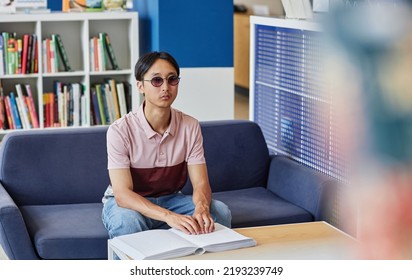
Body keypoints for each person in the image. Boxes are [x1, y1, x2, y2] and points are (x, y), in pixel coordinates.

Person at [102, 51, 232, 239]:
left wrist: (202, 208)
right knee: (129, 222)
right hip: (128, 203)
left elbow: (201, 184)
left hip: (171, 199)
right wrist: (169, 217)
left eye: (172, 80)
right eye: (156, 81)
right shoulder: (120, 130)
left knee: (219, 212)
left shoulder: (190, 126)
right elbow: (123, 194)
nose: (165, 87)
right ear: (140, 86)